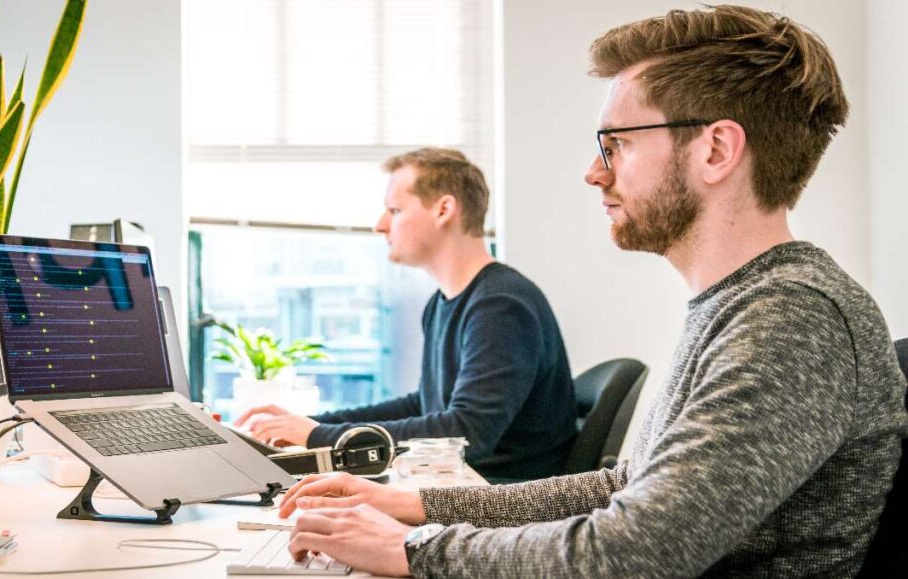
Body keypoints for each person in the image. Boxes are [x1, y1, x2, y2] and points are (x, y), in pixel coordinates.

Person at [271, 6, 908, 577]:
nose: (594, 171)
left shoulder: (792, 318)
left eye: (617, 144)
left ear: (716, 149)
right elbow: (626, 487)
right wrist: (411, 503)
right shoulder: (742, 304)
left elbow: (637, 550)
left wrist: (411, 549)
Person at [236, 148, 579, 482]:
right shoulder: (445, 302)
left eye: (395, 210)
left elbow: (466, 433)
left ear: (444, 210)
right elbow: (424, 404)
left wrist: (320, 435)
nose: (380, 225)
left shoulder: (500, 306)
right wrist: (310, 424)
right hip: (462, 487)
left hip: (497, 501)